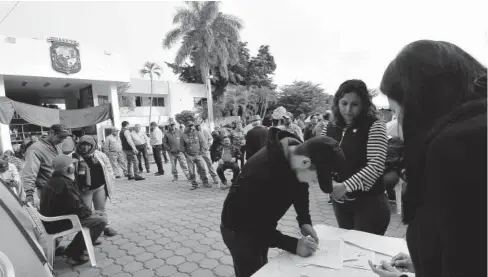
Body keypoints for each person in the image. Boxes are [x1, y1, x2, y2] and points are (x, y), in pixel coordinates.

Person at [370, 40, 487, 277]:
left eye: (397, 112)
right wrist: (427, 261)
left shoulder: (456, 147)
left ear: (420, 103)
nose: (399, 127)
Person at [221, 127, 346, 277]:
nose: (312, 182)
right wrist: (294, 245)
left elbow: (301, 187)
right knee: (252, 271)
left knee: (262, 264)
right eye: (315, 178)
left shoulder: (298, 153)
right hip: (239, 231)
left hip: (261, 225)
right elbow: (252, 227)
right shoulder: (262, 172)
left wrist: (304, 220)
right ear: (306, 163)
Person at [322, 79, 390, 235]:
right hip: (340, 202)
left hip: (369, 204)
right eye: (344, 103)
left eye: (355, 104)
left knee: (363, 254)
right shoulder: (329, 126)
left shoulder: (375, 125)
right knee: (347, 250)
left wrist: (345, 186)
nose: (348, 110)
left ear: (364, 104)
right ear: (337, 102)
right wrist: (327, 180)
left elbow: (376, 165)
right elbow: (320, 157)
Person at [40, 155, 108, 265]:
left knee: (97, 216)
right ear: (69, 169)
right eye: (72, 165)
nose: (74, 166)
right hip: (61, 222)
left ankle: (73, 249)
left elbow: (74, 205)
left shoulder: (52, 181)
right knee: (101, 220)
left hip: (51, 221)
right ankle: (74, 254)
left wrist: (89, 212)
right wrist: (92, 213)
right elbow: (77, 208)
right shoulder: (65, 184)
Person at [73, 135, 118, 238]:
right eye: (82, 144)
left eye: (88, 145)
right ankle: (88, 235)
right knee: (86, 213)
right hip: (84, 191)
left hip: (100, 188)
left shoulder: (99, 155)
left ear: (92, 145)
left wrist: (111, 179)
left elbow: (108, 168)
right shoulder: (74, 156)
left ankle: (106, 227)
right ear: (79, 145)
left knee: (101, 209)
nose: (85, 147)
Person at [22, 124, 71, 204]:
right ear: (51, 132)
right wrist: (29, 193)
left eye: (64, 138)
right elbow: (30, 171)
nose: (62, 141)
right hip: (48, 190)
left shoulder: (56, 146)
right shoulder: (35, 149)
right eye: (60, 137)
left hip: (61, 187)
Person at [181, 121, 209, 190]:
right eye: (189, 126)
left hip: (198, 155)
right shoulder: (183, 135)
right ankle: (194, 184)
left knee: (202, 169)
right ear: (186, 126)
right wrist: (186, 155)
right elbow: (181, 146)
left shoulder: (197, 133)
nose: (190, 127)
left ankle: (205, 182)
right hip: (189, 156)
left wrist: (201, 152)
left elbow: (203, 143)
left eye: (192, 126)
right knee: (191, 171)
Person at [195, 120, 220, 185]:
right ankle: (201, 177)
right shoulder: (194, 133)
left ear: (201, 125)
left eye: (199, 125)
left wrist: (209, 145)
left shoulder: (205, 131)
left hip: (205, 150)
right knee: (199, 165)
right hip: (198, 152)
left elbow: (210, 138)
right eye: (196, 126)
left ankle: (214, 177)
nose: (198, 127)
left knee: (210, 164)